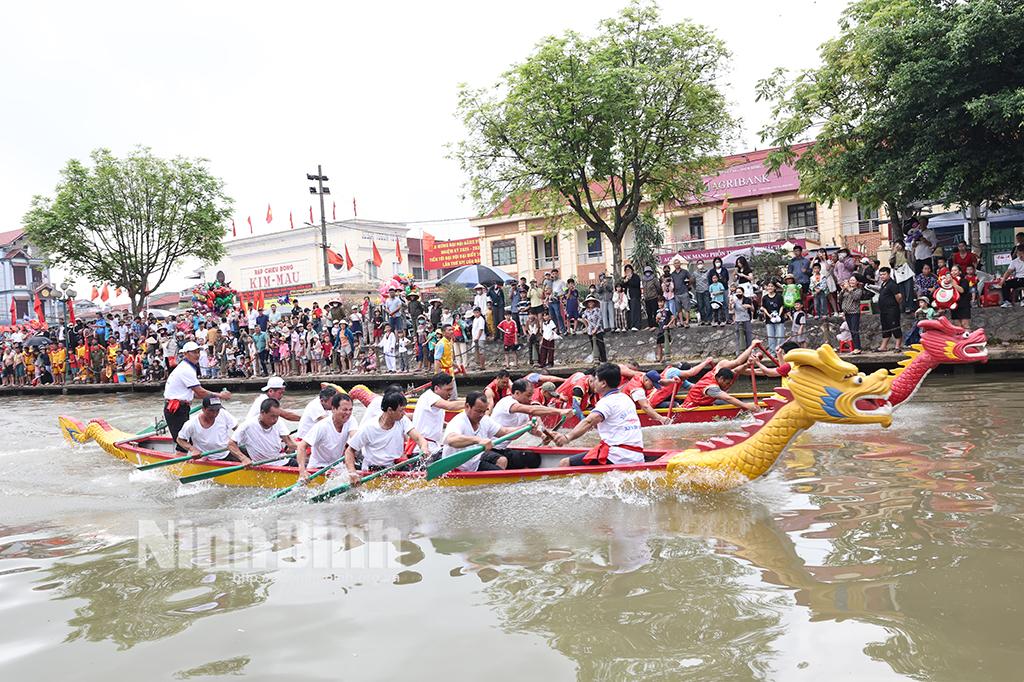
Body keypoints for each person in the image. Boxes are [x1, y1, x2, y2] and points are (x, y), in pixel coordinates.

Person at [553, 363, 644, 467]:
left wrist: (567, 437)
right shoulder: (626, 398)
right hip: (637, 456)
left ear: (603, 383)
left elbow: (589, 422)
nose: (593, 382)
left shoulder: (606, 402)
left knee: (564, 463)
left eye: (596, 379)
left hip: (618, 456)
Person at [163, 340, 232, 451]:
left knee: (186, 439)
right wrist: (220, 395)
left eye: (198, 352)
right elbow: (200, 392)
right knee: (183, 441)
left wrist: (215, 396)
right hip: (176, 408)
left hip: (181, 407)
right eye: (193, 352)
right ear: (185, 354)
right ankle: (180, 465)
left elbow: (195, 394)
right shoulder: (186, 369)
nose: (197, 355)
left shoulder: (187, 367)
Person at [345, 392, 430, 478]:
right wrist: (352, 473)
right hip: (373, 470)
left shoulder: (402, 420)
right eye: (401, 410)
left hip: (395, 466)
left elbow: (419, 438)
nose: (404, 413)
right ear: (390, 410)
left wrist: (424, 447)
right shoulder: (369, 427)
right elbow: (349, 451)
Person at [490, 379, 571, 468]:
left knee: (533, 459)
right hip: (489, 449)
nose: (530, 399)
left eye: (531, 395)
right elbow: (532, 410)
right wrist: (560, 411)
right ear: (517, 393)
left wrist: (543, 435)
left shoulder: (523, 411)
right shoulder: (507, 402)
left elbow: (531, 430)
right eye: (528, 395)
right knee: (503, 460)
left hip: (503, 449)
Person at [440, 391, 525, 472]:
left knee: (501, 464)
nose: (481, 415)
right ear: (467, 406)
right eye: (478, 411)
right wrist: (478, 440)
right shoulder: (459, 421)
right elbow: (451, 440)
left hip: (475, 464)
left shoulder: (485, 420)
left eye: (484, 411)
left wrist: (526, 427)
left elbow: (506, 432)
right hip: (455, 468)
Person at [295, 393, 356, 482]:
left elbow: (355, 438)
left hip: (336, 466)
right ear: (333, 409)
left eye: (350, 410)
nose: (348, 413)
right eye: (344, 410)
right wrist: (302, 471)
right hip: (318, 468)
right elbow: (301, 446)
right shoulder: (322, 426)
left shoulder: (351, 420)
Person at [681, 343, 760, 411]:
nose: (728, 386)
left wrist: (747, 365)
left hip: (704, 403)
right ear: (721, 379)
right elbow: (728, 398)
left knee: (729, 403)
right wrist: (746, 406)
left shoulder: (717, 373)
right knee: (731, 402)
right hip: (691, 408)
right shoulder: (712, 387)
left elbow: (736, 371)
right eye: (727, 383)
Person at [228, 398, 297, 467]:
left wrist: (303, 447)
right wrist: (243, 458)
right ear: (262, 412)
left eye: (277, 416)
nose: (275, 420)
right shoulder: (247, 425)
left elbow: (290, 443)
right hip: (263, 466)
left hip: (283, 461)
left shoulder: (278, 422)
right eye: (272, 416)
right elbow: (231, 444)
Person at [410, 372, 465, 452]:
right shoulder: (430, 396)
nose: (450, 393)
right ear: (436, 388)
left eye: (452, 389)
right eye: (448, 390)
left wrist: (447, 425)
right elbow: (450, 406)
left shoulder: (437, 399)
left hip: (434, 445)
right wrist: (473, 403)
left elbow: (432, 419)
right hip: (423, 448)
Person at [175, 396, 239, 461]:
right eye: (211, 410)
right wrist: (193, 449)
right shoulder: (191, 424)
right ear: (203, 409)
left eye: (217, 410)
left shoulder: (223, 413)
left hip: (227, 452)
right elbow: (180, 439)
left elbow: (237, 429)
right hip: (206, 458)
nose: (214, 414)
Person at [874, 266, 903, 352]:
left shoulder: (892, 284)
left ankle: (898, 346)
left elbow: (899, 296)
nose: (882, 276)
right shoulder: (883, 284)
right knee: (885, 328)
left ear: (889, 274)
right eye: (881, 275)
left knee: (895, 327)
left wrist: (894, 305)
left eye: (884, 274)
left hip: (892, 310)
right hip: (884, 310)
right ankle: (883, 346)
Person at [839, 275, 864, 354]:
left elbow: (856, 297)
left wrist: (849, 289)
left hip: (854, 313)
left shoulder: (858, 290)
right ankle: (855, 347)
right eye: (850, 280)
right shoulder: (845, 290)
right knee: (851, 330)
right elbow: (839, 300)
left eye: (853, 280)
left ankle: (858, 348)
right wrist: (842, 290)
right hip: (847, 313)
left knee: (854, 330)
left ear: (857, 282)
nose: (851, 282)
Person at [760, 282, 786, 354]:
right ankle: (772, 352)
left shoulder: (779, 296)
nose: (770, 288)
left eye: (772, 286)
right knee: (771, 337)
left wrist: (779, 315)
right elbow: (763, 307)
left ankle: (780, 351)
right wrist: (769, 315)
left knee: (780, 336)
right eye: (769, 286)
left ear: (774, 288)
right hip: (769, 319)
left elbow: (782, 306)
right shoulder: (764, 297)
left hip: (779, 318)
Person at [582, 295, 607, 362]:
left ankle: (603, 360)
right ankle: (597, 359)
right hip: (590, 330)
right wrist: (587, 327)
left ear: (594, 303)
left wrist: (595, 329)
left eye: (591, 302)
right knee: (593, 345)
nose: (590, 304)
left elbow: (599, 320)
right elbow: (583, 318)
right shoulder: (586, 311)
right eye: (589, 302)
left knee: (600, 345)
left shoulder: (597, 310)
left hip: (598, 330)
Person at [623, 264, 642, 331]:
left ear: (632, 270)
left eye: (629, 269)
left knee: (635, 311)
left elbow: (636, 284)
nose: (628, 271)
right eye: (626, 270)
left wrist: (629, 279)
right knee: (629, 311)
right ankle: (630, 325)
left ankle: (636, 325)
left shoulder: (635, 276)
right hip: (628, 297)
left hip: (635, 296)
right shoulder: (625, 278)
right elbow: (622, 285)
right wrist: (625, 281)